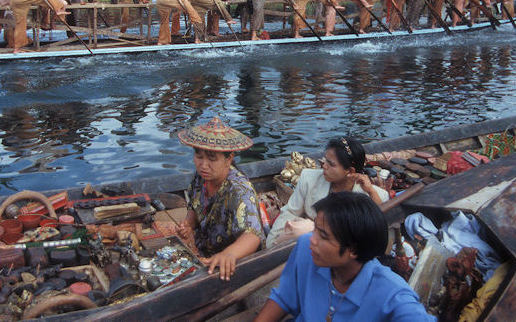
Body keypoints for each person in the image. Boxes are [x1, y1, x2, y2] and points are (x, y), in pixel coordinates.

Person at [254, 192, 431, 322]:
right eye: (315, 228)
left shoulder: (392, 295)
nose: (312, 240)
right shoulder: (306, 248)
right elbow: (284, 298)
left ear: (353, 250)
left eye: (323, 236)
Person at [176, 117, 264, 281]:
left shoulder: (239, 190)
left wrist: (228, 254)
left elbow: (253, 235)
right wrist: (188, 224)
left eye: (212, 158)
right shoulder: (201, 177)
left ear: (229, 158)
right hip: (204, 252)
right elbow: (195, 208)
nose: (203, 165)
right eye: (199, 156)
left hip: (230, 265)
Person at [267, 137, 387, 248]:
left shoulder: (371, 194)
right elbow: (290, 212)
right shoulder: (309, 178)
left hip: (344, 248)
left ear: (350, 171)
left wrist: (371, 191)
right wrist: (271, 245)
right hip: (310, 244)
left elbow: (381, 225)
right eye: (325, 160)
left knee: (306, 228)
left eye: (331, 164)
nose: (324, 166)